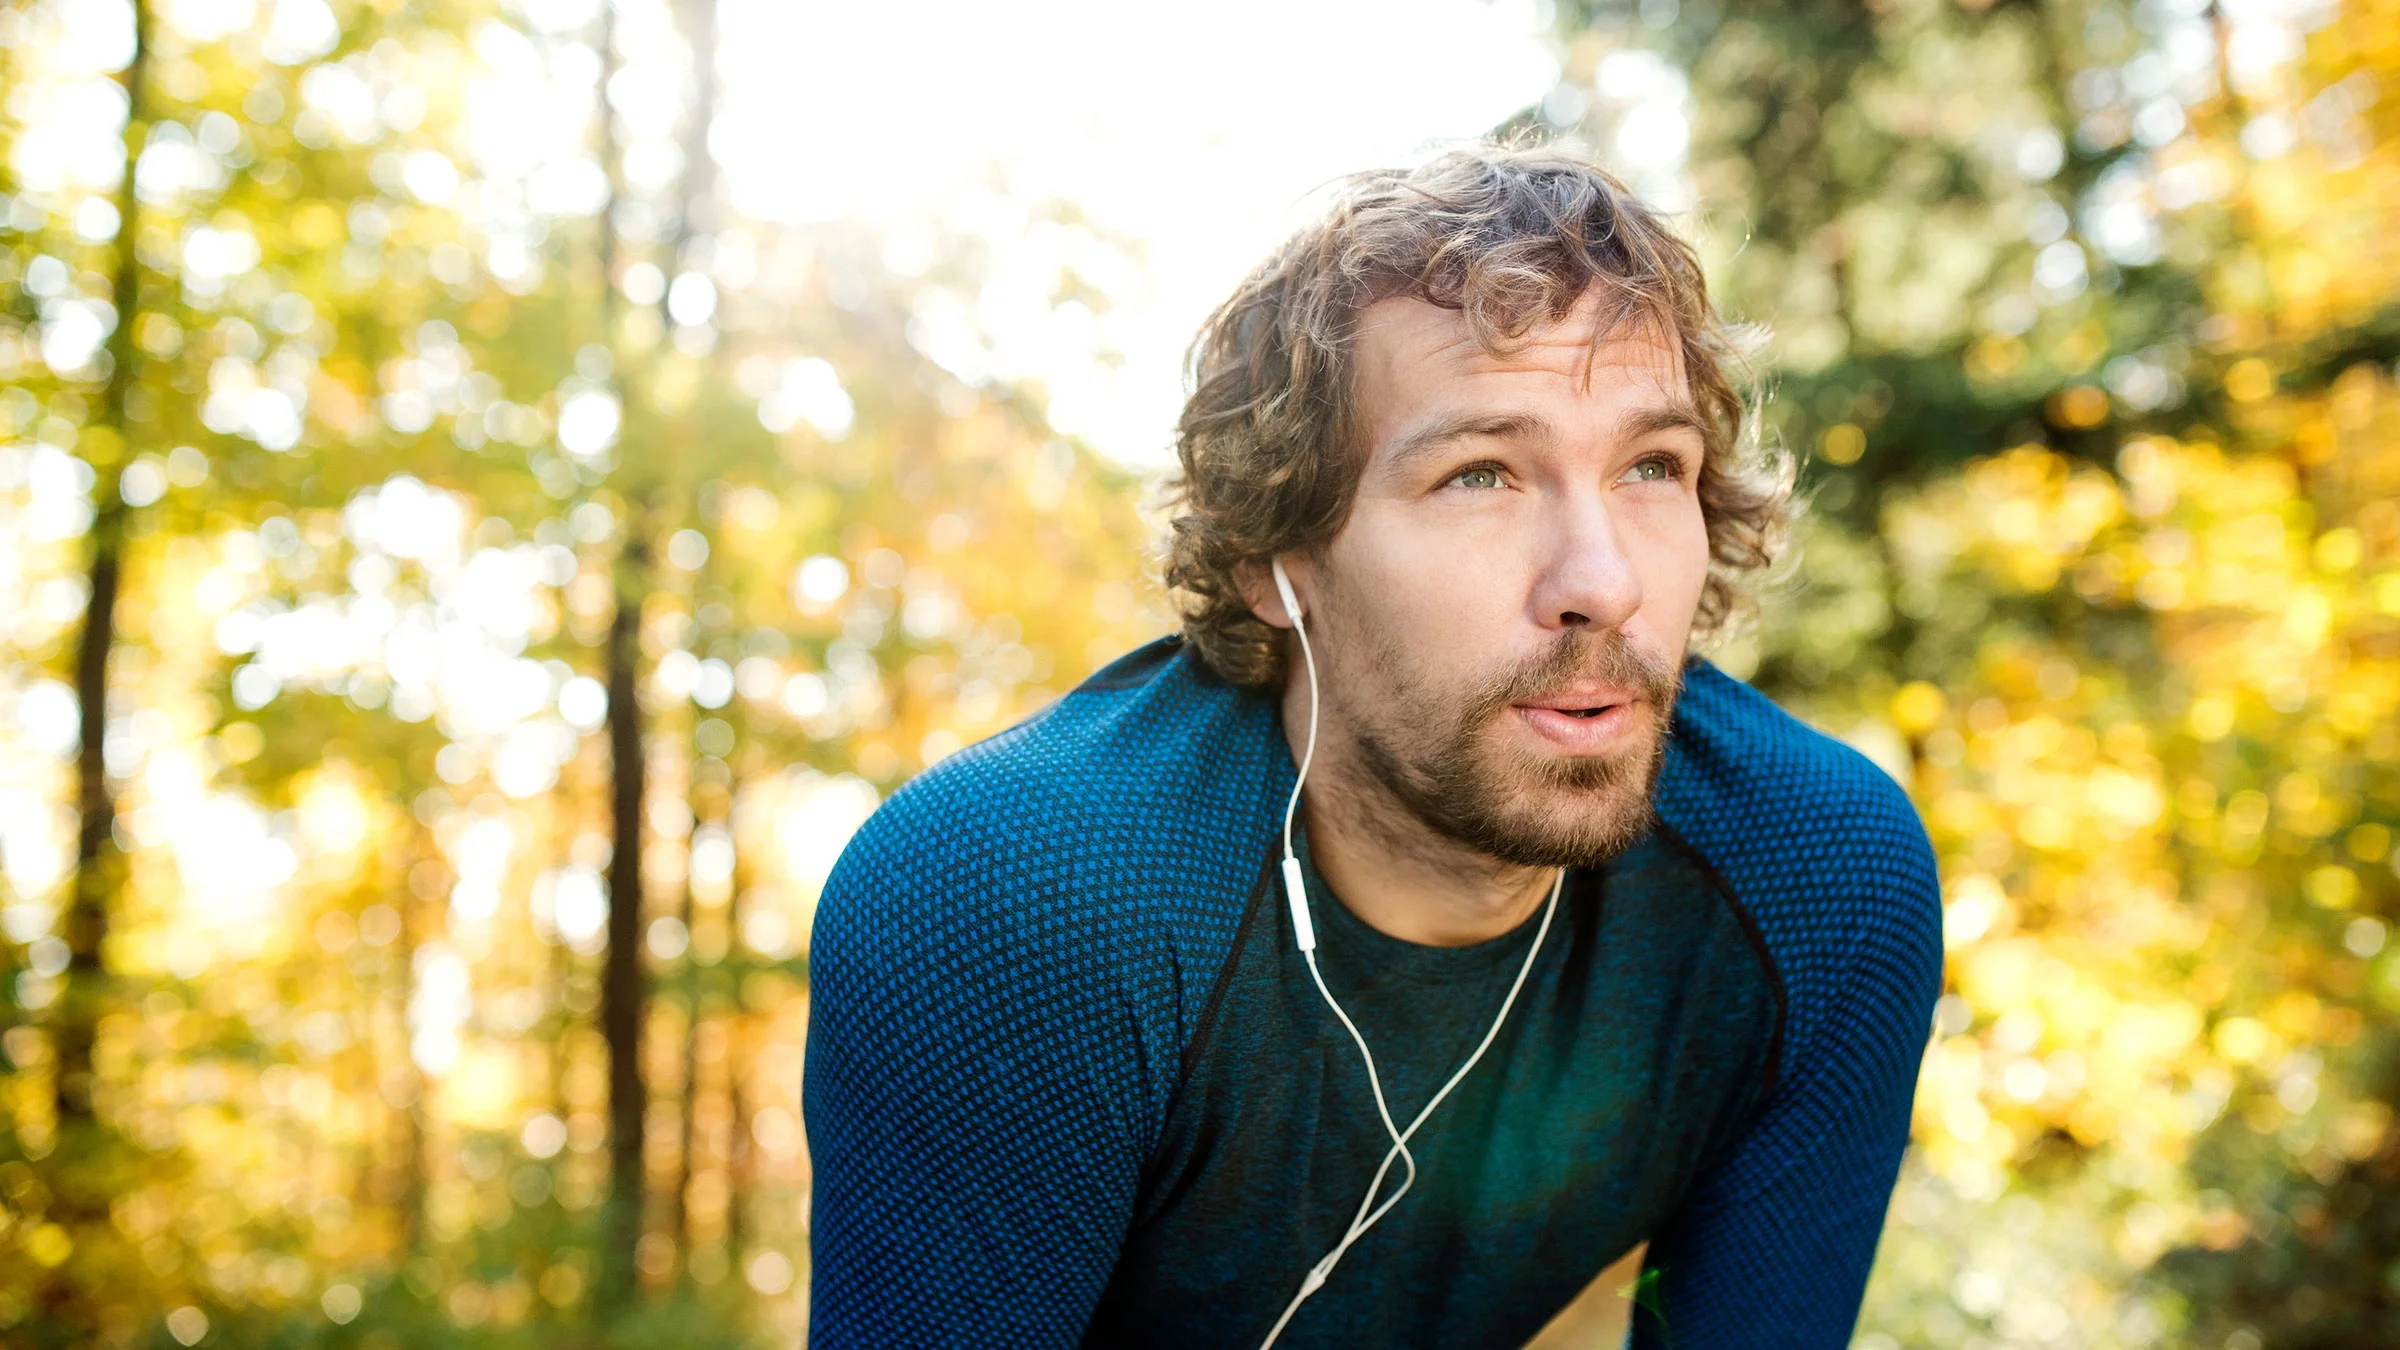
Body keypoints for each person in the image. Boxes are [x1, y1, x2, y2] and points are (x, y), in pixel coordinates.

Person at [803, 146, 1942, 1349]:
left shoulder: (1821, 882)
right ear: (1280, 561)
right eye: (1481, 475)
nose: (1603, 583)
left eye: (1651, 467)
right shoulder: (1016, 905)